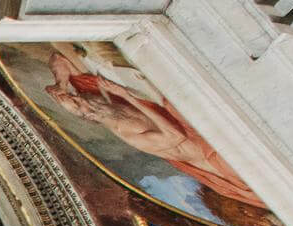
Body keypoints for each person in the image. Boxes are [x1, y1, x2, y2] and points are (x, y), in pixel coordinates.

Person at [43, 44, 260, 206]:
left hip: (204, 144)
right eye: (78, 101)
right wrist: (127, 95)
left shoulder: (99, 102)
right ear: (89, 114)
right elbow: (176, 136)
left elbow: (58, 57)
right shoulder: (125, 131)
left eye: (76, 97)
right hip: (211, 157)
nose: (79, 97)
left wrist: (61, 84)